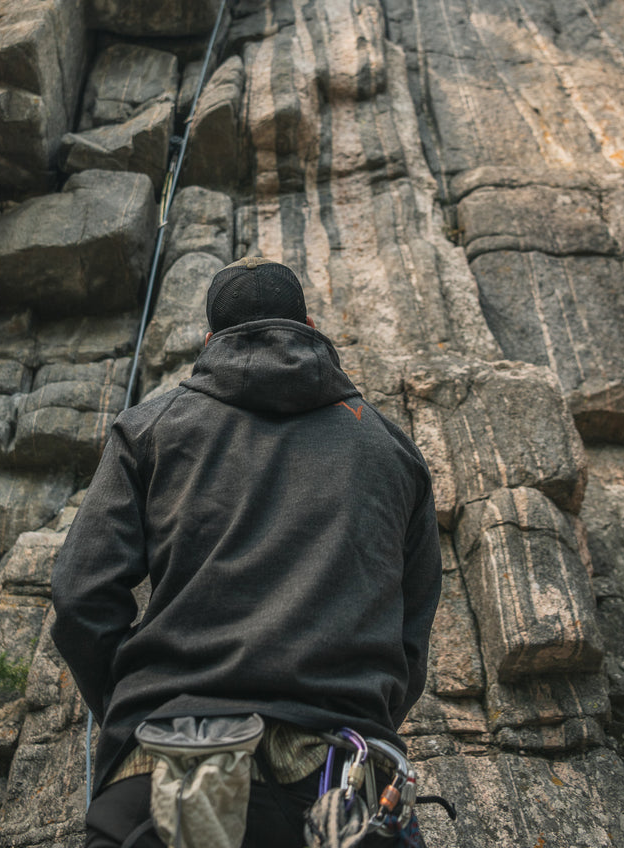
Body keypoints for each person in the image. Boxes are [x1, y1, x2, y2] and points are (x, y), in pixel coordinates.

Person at [51, 257, 442, 847]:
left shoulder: (151, 427)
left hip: (166, 764)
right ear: (308, 325)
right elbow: (410, 638)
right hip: (340, 784)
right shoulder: (391, 451)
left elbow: (81, 596)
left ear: (210, 341)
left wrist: (137, 706)